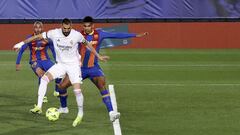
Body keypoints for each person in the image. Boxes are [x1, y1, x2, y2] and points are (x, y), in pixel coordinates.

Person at [13, 18, 109, 127]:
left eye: (68, 28)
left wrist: (98, 56)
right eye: (64, 28)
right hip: (61, 65)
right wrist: (21, 43)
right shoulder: (54, 33)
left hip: (73, 66)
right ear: (61, 26)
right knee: (44, 79)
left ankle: (80, 113)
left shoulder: (76, 35)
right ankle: (39, 107)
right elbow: (36, 37)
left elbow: (87, 45)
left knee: (77, 90)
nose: (66, 30)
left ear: (71, 27)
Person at [58, 16, 148, 122]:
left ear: (93, 26)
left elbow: (117, 35)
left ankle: (111, 112)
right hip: (78, 68)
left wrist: (135, 35)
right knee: (61, 87)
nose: (86, 28)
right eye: (85, 26)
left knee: (102, 84)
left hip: (93, 68)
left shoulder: (100, 34)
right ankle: (64, 108)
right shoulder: (77, 34)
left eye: (88, 26)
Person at [15, 21, 61, 103]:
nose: (38, 29)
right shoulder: (29, 38)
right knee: (41, 75)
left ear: (42, 28)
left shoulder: (47, 39)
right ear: (34, 28)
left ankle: (56, 91)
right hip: (34, 61)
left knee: (59, 73)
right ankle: (43, 96)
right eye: (36, 27)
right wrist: (18, 63)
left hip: (46, 60)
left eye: (39, 27)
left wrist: (57, 61)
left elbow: (53, 50)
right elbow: (21, 50)